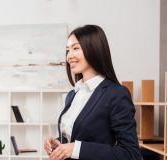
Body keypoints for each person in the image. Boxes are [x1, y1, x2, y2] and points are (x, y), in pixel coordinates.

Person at [44, 25, 142, 160]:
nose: (69, 56)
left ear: (94, 49)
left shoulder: (116, 94)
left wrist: (76, 148)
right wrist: (59, 145)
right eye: (68, 50)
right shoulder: (73, 94)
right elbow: (76, 138)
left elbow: (132, 155)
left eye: (75, 48)